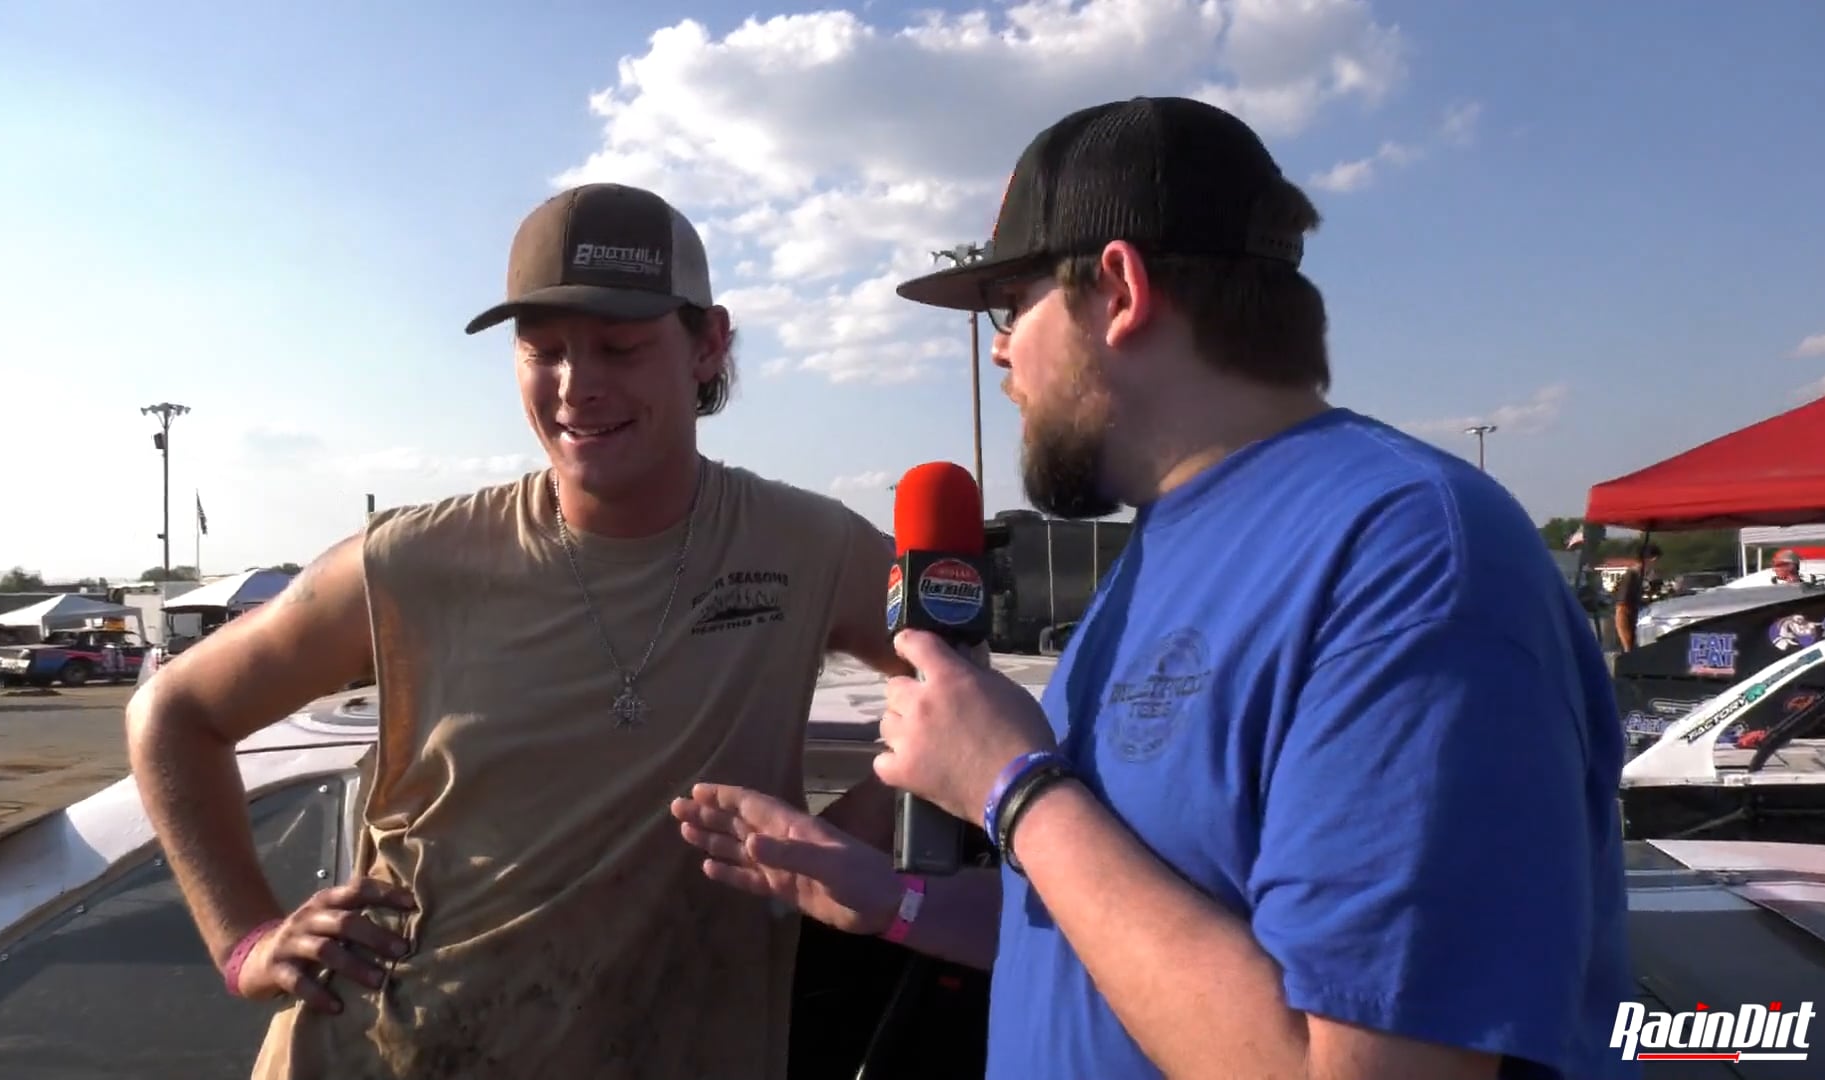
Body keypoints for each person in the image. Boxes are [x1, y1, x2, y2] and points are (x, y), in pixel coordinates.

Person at [673, 97, 1636, 1079]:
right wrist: (886, 897)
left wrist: (1013, 789)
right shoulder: (1167, 545)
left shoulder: (1411, 558)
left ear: (1120, 291)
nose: (1000, 352)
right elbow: (1107, 943)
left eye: (1013, 309)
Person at [125, 181, 903, 1080]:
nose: (578, 388)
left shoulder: (807, 547)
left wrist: (844, 845)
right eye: (543, 351)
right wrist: (247, 941)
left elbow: (953, 680)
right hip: (378, 1053)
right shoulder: (412, 561)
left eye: (619, 346)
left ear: (708, 343)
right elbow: (172, 715)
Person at [1612, 543, 1661, 652]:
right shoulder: (1632, 575)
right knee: (1629, 646)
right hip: (1627, 613)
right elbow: (1623, 603)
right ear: (1651, 559)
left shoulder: (1643, 575)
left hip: (1636, 614)